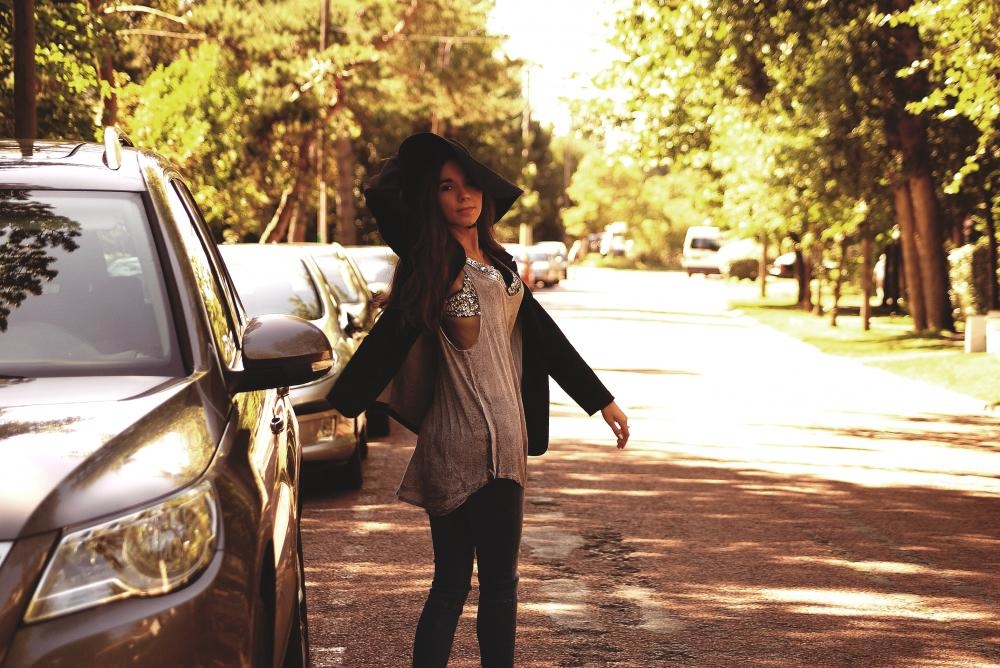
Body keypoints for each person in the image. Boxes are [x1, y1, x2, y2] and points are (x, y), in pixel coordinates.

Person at [327, 132, 629, 667]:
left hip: (489, 440)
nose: (464, 196)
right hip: (471, 442)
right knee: (491, 586)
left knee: (459, 584)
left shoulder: (499, 262)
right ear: (430, 198)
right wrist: (419, 157)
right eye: (447, 187)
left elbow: (546, 339)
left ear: (485, 194)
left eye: (471, 184)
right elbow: (385, 198)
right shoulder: (434, 261)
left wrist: (599, 398)